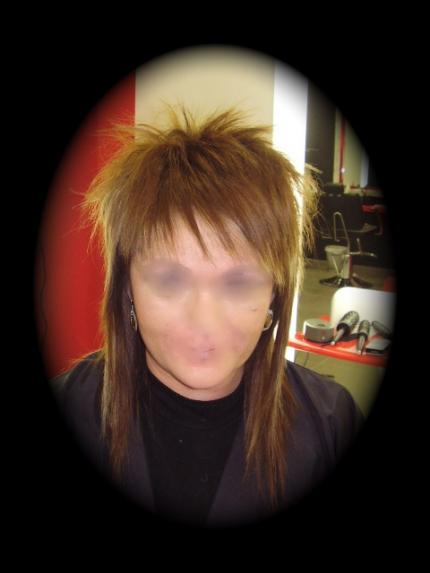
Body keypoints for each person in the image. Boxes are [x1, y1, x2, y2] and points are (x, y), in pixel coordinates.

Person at [52, 107, 364, 528]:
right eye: (170, 279)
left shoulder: (332, 425)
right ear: (127, 289)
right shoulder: (71, 406)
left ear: (274, 294)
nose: (204, 320)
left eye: (238, 283)